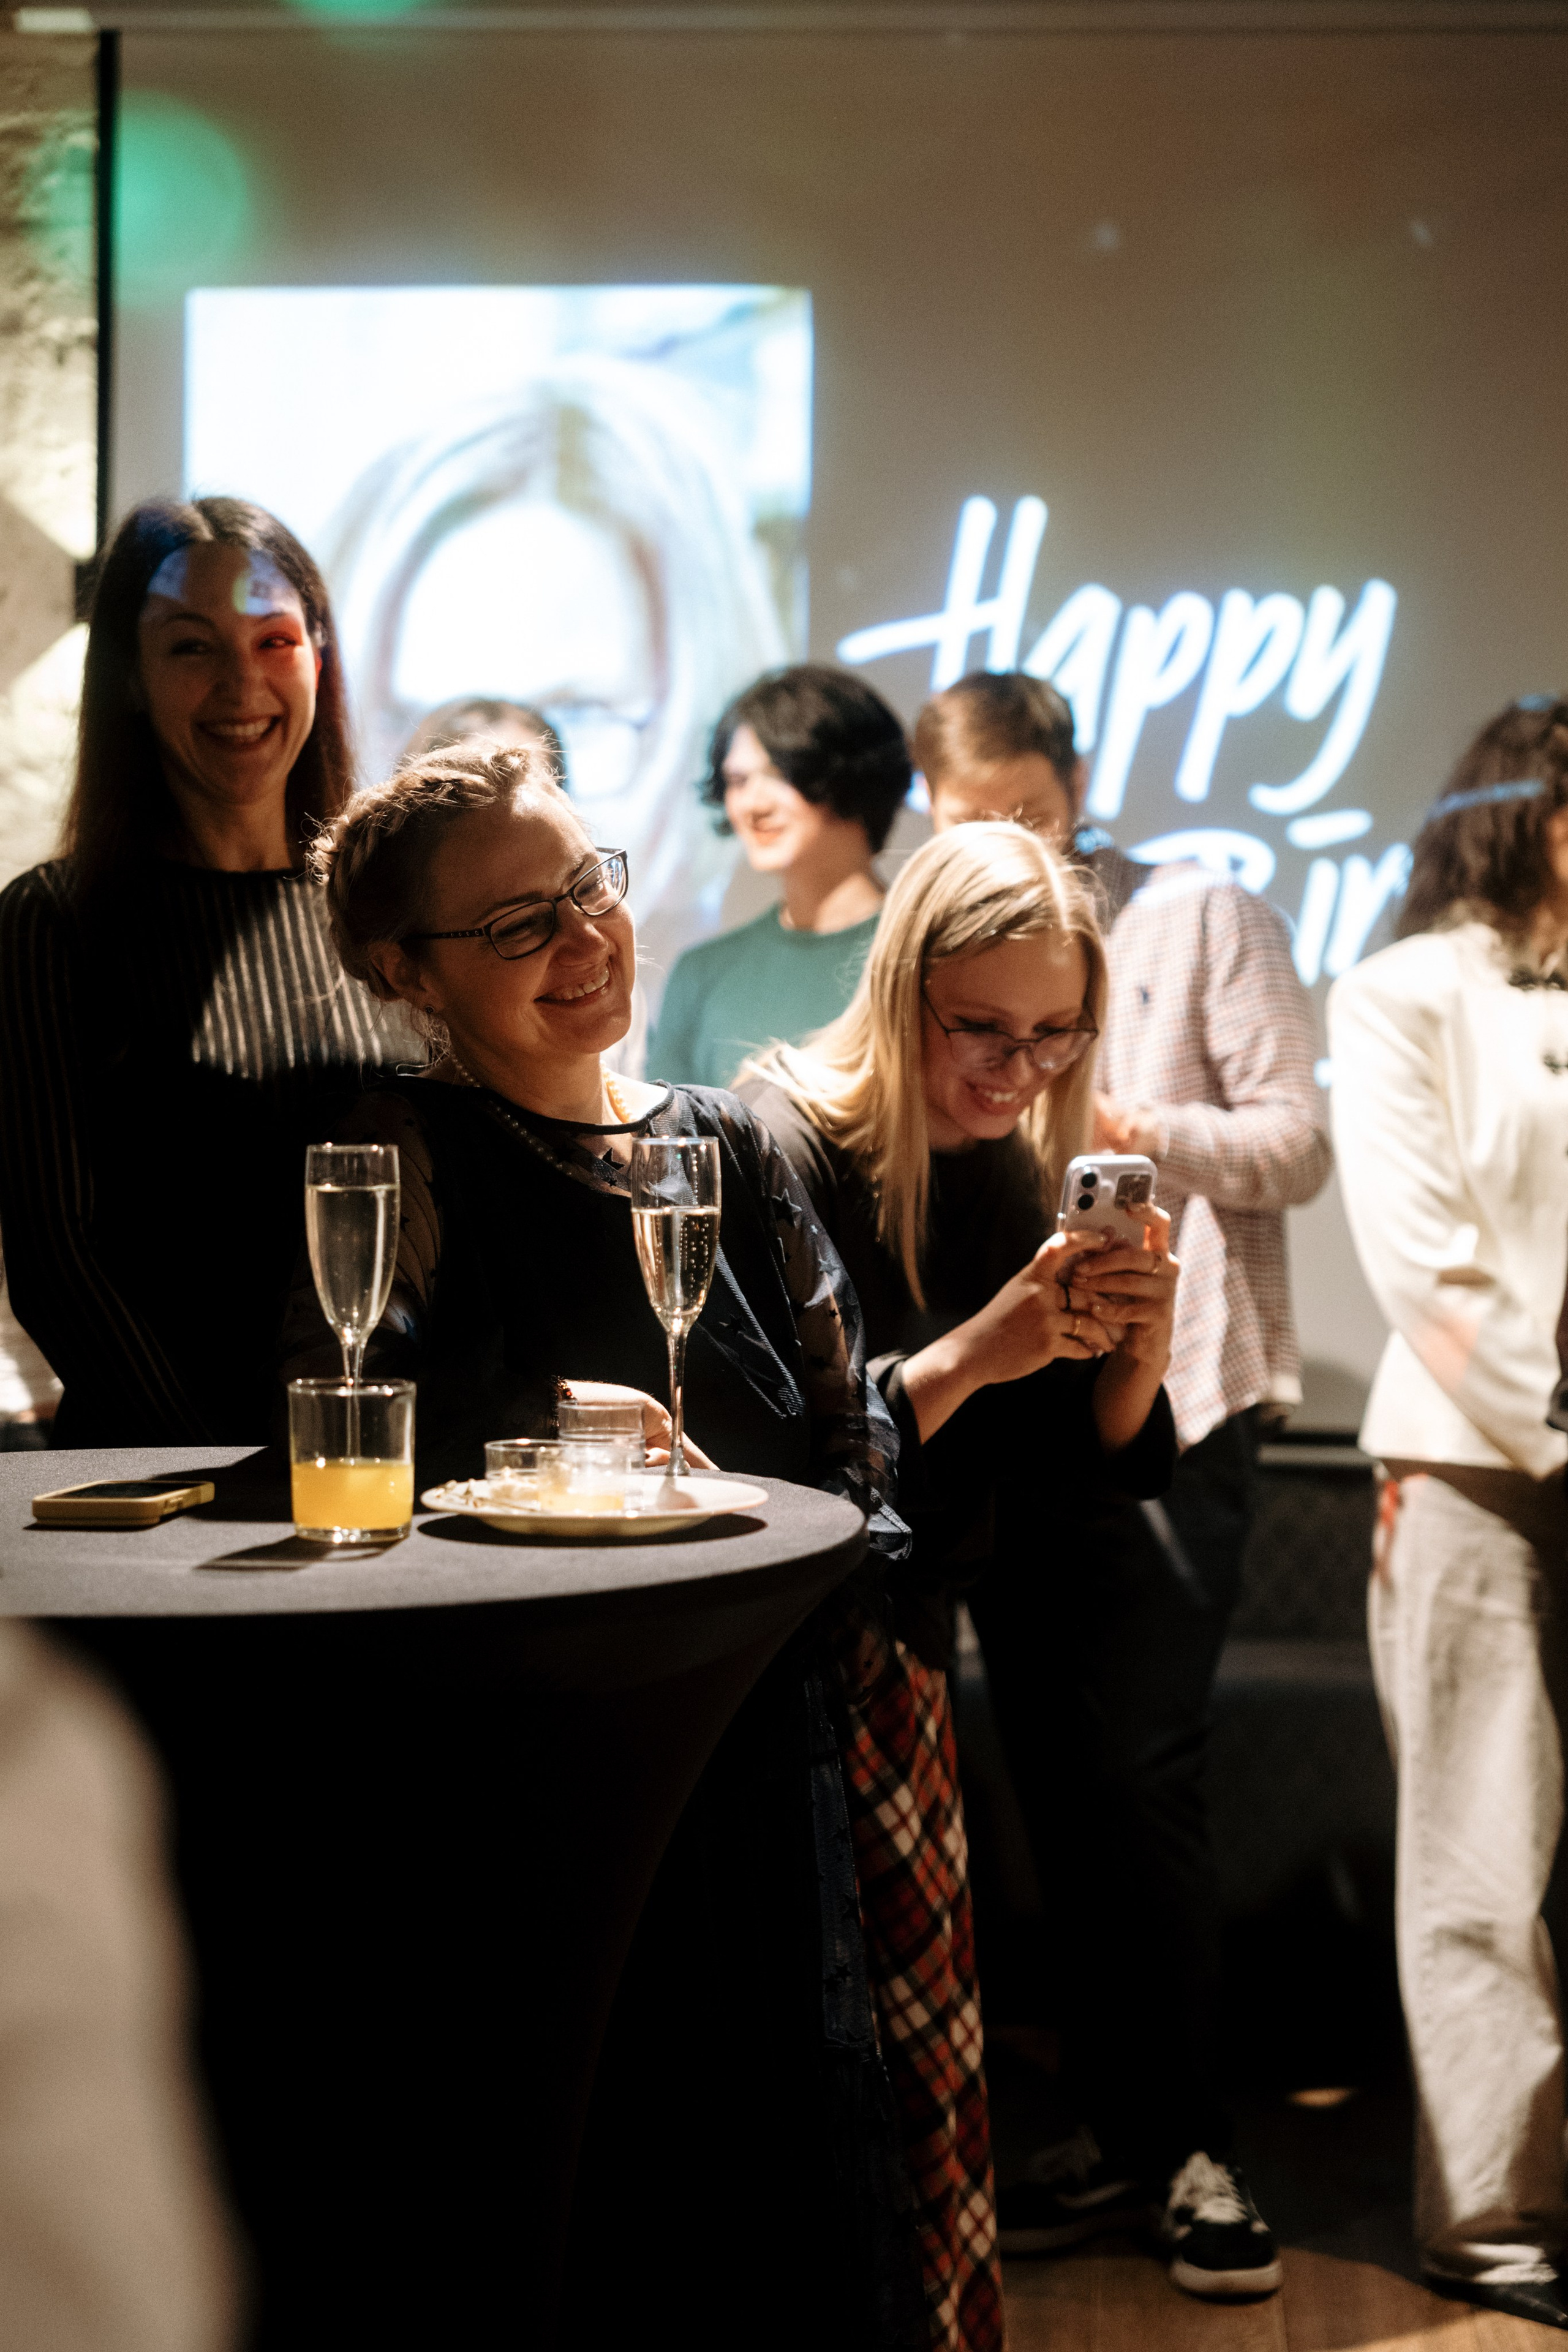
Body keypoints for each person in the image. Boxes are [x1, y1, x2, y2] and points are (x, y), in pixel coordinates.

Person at [281, 737, 968, 2348]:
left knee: (764, 2206)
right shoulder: (400, 1153)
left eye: (590, 883)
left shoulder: (730, 1144)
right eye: (519, 925)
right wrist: (539, 1431)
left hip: (755, 1744)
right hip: (527, 1786)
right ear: (408, 972)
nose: (583, 935)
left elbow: (842, 1421)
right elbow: (344, 1420)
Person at [914, 668, 1330, 2297]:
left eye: (1024, 813)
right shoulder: (952, 954)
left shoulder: (1199, 911)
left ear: (1075, 785)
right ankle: (1112, 2118)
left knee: (1143, 1771)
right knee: (1056, 1773)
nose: (1003, 847)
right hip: (1026, 1416)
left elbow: (1298, 1143)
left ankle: (1191, 2144)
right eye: (968, 827)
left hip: (1185, 1396)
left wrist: (1133, 1122)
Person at [740, 821, 1186, 2322]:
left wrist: (1137, 1339)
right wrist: (974, 1354)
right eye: (981, 1028)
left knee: (928, 2083)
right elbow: (784, 1463)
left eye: (1053, 1034)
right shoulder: (776, 1136)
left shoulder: (1007, 1165)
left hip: (908, 1652)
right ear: (899, 982)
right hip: (781, 1670)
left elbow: (1102, 1459)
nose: (1015, 1070)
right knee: (825, 2090)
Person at [0, 496, 416, 1444]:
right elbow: (57, 1259)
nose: (242, 685)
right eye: (191, 647)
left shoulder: (392, 913)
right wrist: (227, 1465)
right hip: (159, 1487)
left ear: (319, 656)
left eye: (274, 641)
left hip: (388, 1463)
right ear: (132, 680)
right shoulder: (52, 923)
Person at [1333, 696, 1568, 2331]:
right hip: (1486, 1464)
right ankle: (1498, 2214)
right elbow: (1427, 1265)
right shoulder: (1411, 988)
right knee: (1482, 1856)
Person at [647, 666, 910, 1088]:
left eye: (780, 774)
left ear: (852, 774)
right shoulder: (702, 974)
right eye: (737, 781)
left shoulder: (926, 953)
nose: (753, 804)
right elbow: (670, 1143)